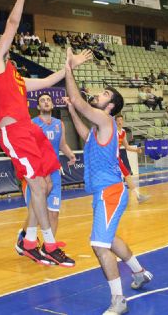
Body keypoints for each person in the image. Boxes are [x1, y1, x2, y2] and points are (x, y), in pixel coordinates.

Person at [0, 0, 90, 267]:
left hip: (29, 131)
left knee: (42, 185)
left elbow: (47, 82)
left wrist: (71, 67)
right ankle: (49, 244)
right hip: (14, 132)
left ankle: (29, 240)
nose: (2, 46)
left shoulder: (16, 78)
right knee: (36, 185)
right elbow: (12, 24)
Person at [64, 49, 152, 315]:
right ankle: (140, 273)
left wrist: (70, 68)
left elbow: (81, 102)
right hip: (104, 192)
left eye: (104, 94)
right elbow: (82, 132)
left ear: (110, 105)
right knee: (110, 239)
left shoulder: (105, 119)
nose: (99, 95)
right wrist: (71, 109)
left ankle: (118, 300)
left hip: (110, 192)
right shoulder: (97, 128)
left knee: (99, 245)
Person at [16, 93, 77, 254]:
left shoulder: (59, 124)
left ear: (52, 105)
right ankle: (23, 237)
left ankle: (48, 248)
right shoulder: (32, 124)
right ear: (38, 107)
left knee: (54, 213)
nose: (46, 102)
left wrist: (70, 154)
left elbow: (62, 144)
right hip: (37, 174)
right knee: (35, 212)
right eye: (42, 100)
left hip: (54, 172)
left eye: (48, 100)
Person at [115, 114, 149, 203]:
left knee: (127, 175)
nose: (120, 121)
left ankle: (138, 196)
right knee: (120, 176)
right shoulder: (112, 131)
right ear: (115, 122)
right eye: (118, 120)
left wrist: (136, 150)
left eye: (121, 120)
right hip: (110, 156)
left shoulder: (123, 132)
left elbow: (126, 146)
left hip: (115, 156)